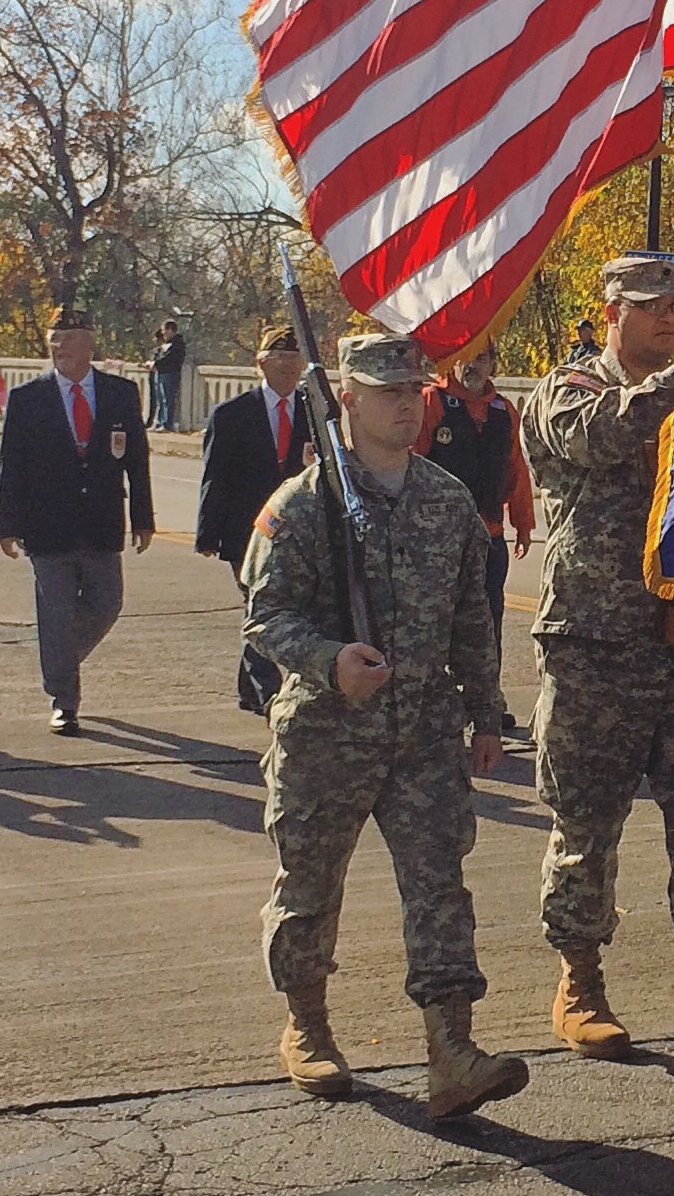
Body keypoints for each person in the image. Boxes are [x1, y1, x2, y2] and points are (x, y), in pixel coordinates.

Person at [245, 332, 527, 1120]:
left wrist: (484, 710)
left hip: (424, 731)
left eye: (413, 390)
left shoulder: (444, 500)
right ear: (347, 398)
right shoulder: (301, 505)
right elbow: (264, 617)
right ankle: (306, 1024)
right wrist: (330, 657)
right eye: (386, 391)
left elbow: (475, 616)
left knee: (440, 886)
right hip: (327, 730)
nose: (405, 404)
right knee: (309, 885)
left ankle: (452, 1050)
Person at [522, 256, 674, 1065]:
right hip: (596, 644)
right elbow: (603, 436)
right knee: (587, 821)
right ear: (610, 312)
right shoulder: (566, 390)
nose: (666, 319)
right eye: (650, 306)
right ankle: (580, 982)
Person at [0, 305, 154, 734]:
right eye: (54, 338)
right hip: (46, 528)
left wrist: (143, 517)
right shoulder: (28, 399)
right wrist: (6, 525)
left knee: (107, 604)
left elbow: (137, 460)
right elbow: (11, 465)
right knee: (58, 613)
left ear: (90, 342)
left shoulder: (121, 393)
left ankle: (57, 660)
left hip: (102, 523)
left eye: (69, 337)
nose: (60, 346)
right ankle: (64, 699)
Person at [416, 342, 534, 732]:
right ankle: (435, 703)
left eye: (482, 357)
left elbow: (515, 467)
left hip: (489, 536)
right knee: (436, 622)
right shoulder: (431, 401)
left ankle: (487, 702)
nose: (474, 365)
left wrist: (524, 522)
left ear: (494, 364)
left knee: (487, 621)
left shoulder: (503, 410)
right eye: (466, 357)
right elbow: (412, 463)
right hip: (437, 539)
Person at [196, 324, 313, 714]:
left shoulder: (313, 410)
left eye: (294, 360)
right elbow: (215, 476)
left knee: (275, 605)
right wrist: (208, 533)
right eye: (279, 359)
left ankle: (249, 687)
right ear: (261, 364)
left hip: (297, 530)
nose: (287, 367)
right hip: (245, 531)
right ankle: (268, 692)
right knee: (259, 602)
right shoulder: (231, 415)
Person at [151, 320, 187, 432]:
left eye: (164, 331)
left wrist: (157, 363)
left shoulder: (178, 344)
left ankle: (167, 424)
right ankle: (159, 422)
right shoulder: (164, 344)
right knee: (160, 399)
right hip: (161, 373)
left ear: (171, 330)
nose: (163, 334)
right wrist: (153, 362)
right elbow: (158, 355)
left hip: (171, 373)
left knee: (168, 399)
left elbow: (171, 359)